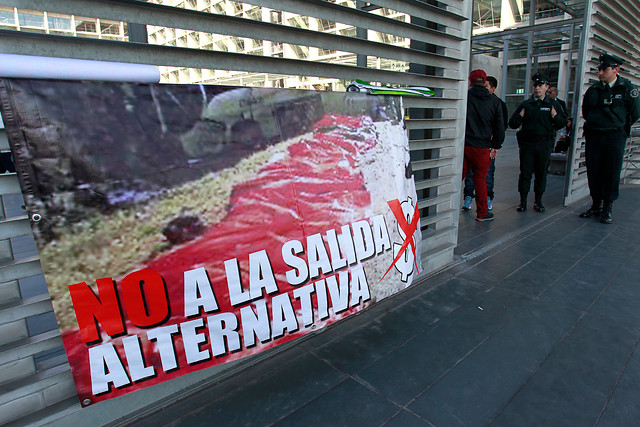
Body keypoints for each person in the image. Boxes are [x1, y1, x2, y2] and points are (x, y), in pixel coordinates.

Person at [580, 53, 640, 224]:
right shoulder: (594, 89)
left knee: (611, 171)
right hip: (595, 134)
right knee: (594, 171)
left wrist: (619, 125)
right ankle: (595, 205)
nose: (600, 73)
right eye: (599, 69)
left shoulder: (627, 88)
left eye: (604, 69)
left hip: (614, 135)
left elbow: (635, 112)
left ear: (615, 69)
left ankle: (607, 207)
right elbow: (586, 111)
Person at [509, 72, 567, 212]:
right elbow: (512, 124)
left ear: (547, 87)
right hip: (528, 144)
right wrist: (521, 115)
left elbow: (562, 123)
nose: (537, 88)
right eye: (535, 85)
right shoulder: (526, 104)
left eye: (540, 85)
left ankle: (538, 201)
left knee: (541, 174)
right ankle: (523, 202)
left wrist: (554, 115)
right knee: (525, 173)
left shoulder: (553, 104)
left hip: (544, 144)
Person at [462, 69, 505, 221]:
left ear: (470, 81)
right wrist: (495, 146)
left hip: (464, 146)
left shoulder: (465, 97)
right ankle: (482, 213)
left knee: (456, 178)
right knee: (480, 180)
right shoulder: (495, 101)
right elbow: (499, 126)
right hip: (482, 147)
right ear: (485, 81)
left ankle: (445, 209)